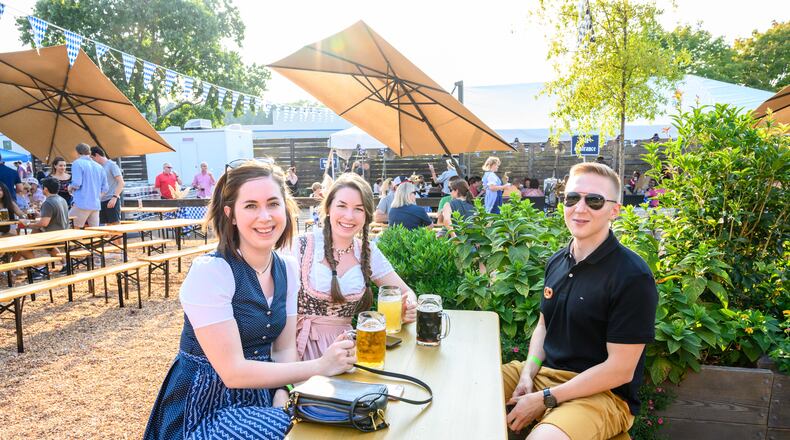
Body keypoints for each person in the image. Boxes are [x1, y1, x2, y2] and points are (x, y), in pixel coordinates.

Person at [144, 161, 356, 439]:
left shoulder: (287, 268)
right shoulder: (211, 272)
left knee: (343, 421)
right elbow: (232, 372)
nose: (265, 216)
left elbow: (283, 351)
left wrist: (283, 391)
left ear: (285, 208)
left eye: (272, 204)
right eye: (251, 206)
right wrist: (320, 366)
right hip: (202, 407)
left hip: (260, 397)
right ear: (230, 215)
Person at [502, 162, 658, 439]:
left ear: (615, 210)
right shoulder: (557, 261)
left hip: (602, 395)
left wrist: (546, 398)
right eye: (572, 198)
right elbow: (544, 326)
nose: (580, 207)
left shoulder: (632, 276)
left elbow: (620, 370)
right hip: (544, 376)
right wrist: (527, 373)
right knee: (466, 389)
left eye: (594, 200)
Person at [292, 173, 417, 361]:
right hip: (299, 351)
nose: (349, 216)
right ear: (328, 208)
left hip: (347, 352)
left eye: (358, 209)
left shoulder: (367, 251)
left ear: (367, 216)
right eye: (341, 206)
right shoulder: (300, 246)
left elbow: (406, 292)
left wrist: (409, 307)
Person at [14, 178, 70, 270]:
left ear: (46, 189)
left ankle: (39, 268)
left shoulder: (48, 202)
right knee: (49, 247)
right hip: (61, 232)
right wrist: (40, 215)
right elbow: (53, 216)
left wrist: (27, 223)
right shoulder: (62, 199)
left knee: (23, 248)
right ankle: (65, 265)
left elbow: (44, 223)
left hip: (51, 234)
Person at [69, 143, 108, 228]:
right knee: (95, 232)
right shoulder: (99, 166)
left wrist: (69, 188)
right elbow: (105, 188)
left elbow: (76, 184)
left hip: (82, 202)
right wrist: (97, 197)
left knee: (71, 227)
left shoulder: (77, 163)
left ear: (77, 152)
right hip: (95, 204)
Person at [90, 147, 124, 225]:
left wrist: (114, 198)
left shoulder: (112, 165)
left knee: (115, 226)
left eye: (92, 158)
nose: (91, 161)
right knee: (107, 227)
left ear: (97, 155)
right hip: (101, 200)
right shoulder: (98, 167)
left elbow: (121, 183)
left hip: (111, 199)